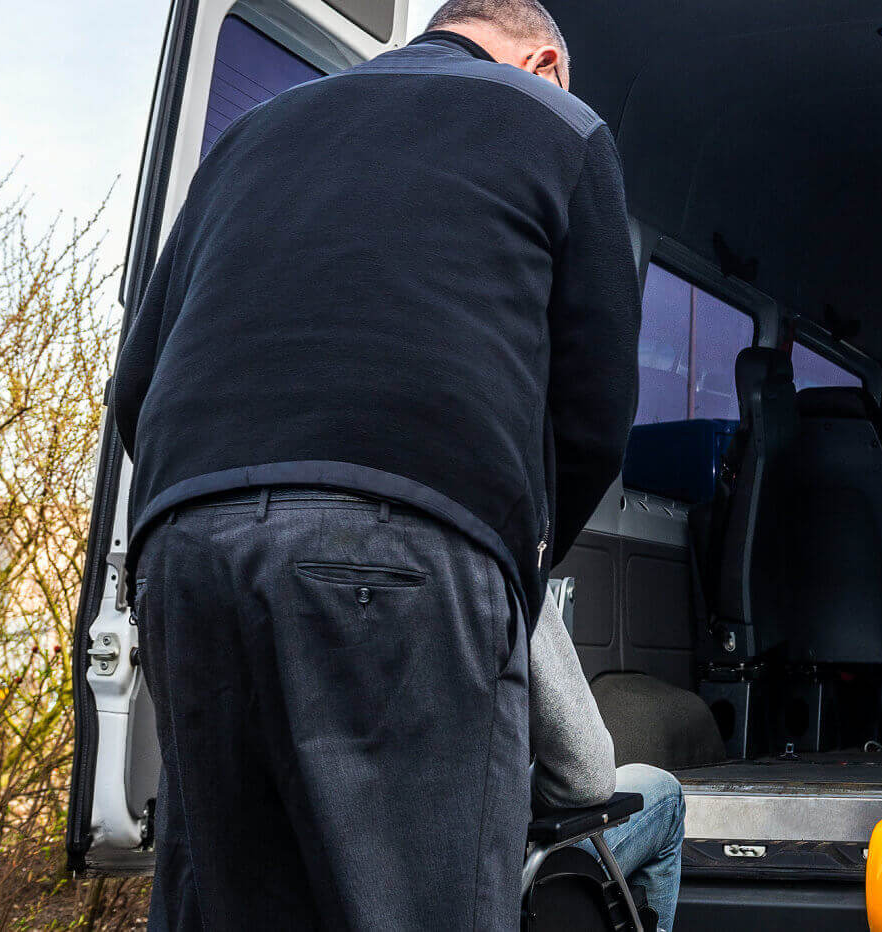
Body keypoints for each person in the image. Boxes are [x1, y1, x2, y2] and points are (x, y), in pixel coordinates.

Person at [110, 0, 641, 926]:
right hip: (400, 556)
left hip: (184, 548)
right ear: (545, 61)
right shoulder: (561, 124)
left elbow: (137, 382)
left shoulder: (251, 134)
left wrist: (197, 516)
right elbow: (596, 404)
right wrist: (517, 561)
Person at [531, 595, 684, 931]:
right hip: (502, 873)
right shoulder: (506, 569)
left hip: (403, 882)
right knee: (666, 795)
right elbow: (587, 777)